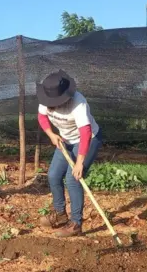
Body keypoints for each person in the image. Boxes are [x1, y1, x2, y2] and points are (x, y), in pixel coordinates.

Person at [36, 69, 102, 237]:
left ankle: (76, 224)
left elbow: (86, 132)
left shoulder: (78, 103)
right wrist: (51, 134)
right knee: (53, 176)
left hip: (87, 139)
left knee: (73, 179)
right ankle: (60, 214)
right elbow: (42, 117)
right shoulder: (46, 98)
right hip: (65, 140)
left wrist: (80, 162)